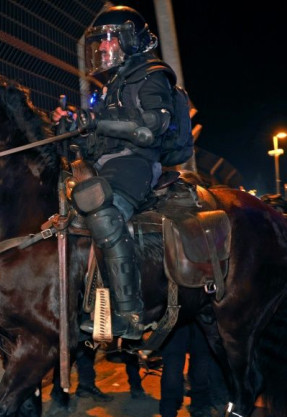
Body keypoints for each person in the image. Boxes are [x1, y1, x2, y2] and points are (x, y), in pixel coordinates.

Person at [67, 5, 188, 340]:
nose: (102, 49)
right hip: (110, 163)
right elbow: (102, 139)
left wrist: (100, 123)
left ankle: (129, 314)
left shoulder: (151, 74)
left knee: (105, 213)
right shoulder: (114, 85)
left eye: (108, 40)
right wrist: (78, 134)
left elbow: (153, 127)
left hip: (137, 162)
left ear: (130, 39)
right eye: (100, 43)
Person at [155, 321, 226, 417]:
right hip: (180, 317)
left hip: (196, 317)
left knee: (199, 363)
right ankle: (170, 414)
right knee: (175, 365)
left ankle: (194, 405)